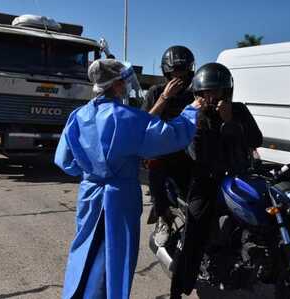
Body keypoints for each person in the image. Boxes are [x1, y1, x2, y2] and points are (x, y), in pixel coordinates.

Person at [55, 58, 200, 299]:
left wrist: (92, 171)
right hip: (119, 197)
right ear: (118, 85)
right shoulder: (126, 117)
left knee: (85, 251)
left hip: (90, 194)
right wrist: (193, 109)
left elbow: (65, 162)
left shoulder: (78, 116)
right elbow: (171, 136)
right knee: (114, 257)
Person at [170, 62, 263, 299]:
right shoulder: (194, 116)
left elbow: (256, 138)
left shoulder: (238, 110)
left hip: (239, 179)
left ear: (226, 92)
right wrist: (218, 123)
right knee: (195, 228)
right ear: (198, 94)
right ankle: (179, 288)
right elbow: (197, 154)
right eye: (205, 92)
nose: (210, 97)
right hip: (207, 182)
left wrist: (230, 121)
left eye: (215, 91)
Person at [141, 46, 195, 247]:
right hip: (162, 152)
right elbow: (144, 121)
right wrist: (166, 96)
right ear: (167, 72)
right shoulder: (156, 92)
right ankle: (163, 217)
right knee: (155, 167)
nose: (179, 76)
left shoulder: (194, 94)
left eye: (183, 71)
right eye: (175, 72)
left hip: (189, 151)